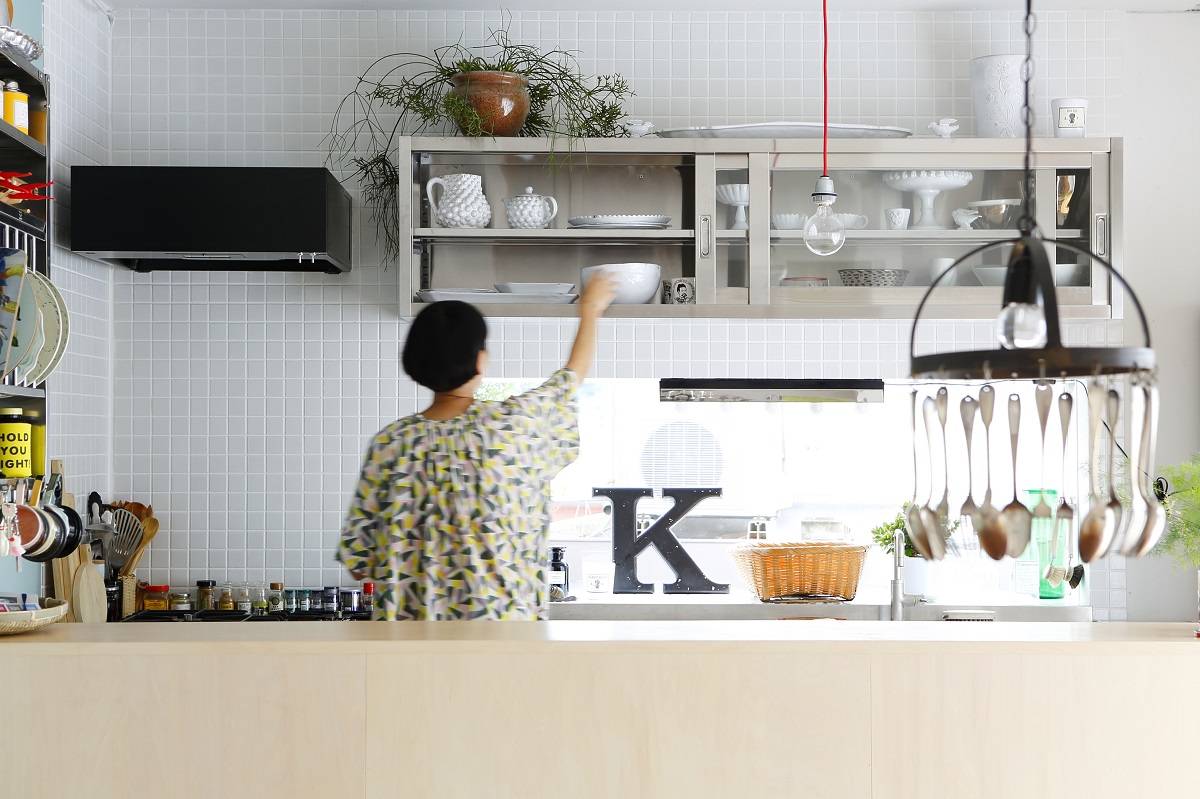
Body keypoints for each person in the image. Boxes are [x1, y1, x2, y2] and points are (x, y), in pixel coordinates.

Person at [337, 276, 616, 620]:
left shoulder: (390, 444)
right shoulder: (511, 426)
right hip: (503, 641)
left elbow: (359, 564)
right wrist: (590, 310)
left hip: (409, 647)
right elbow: (569, 379)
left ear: (415, 361)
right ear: (480, 360)